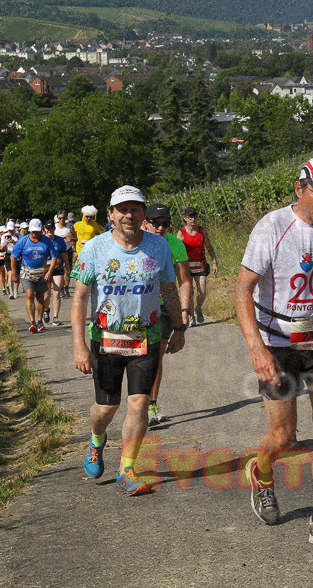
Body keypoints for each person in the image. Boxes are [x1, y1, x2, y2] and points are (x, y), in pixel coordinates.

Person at [234, 158, 313, 551]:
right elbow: (241, 290)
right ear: (299, 188)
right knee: (284, 436)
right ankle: (263, 473)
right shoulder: (272, 227)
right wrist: (257, 350)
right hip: (277, 341)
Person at [71, 186, 186, 496]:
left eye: (135, 209)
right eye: (122, 209)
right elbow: (80, 297)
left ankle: (127, 470)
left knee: (139, 403)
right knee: (105, 409)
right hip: (106, 339)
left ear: (143, 214)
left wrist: (179, 326)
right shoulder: (94, 248)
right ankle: (96, 441)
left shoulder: (159, 246)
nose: (129, 215)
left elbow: (168, 290)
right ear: (111, 214)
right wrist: (79, 344)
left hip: (144, 339)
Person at [143, 204, 192, 426]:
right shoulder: (136, 241)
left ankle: (151, 404)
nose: (161, 227)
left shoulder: (175, 244)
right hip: (139, 305)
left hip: (165, 306)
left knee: (156, 355)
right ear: (145, 221)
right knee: (139, 356)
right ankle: (138, 402)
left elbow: (184, 281)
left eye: (165, 224)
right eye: (156, 223)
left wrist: (184, 311)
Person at [11, 219, 55, 332]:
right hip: (26, 273)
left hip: (41, 274)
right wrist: (14, 273)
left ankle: (40, 322)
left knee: (40, 297)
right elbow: (13, 256)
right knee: (30, 295)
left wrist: (50, 272)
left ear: (41, 230)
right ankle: (32, 322)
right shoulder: (23, 241)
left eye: (37, 231)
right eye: (32, 231)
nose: (34, 234)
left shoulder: (47, 241)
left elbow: (54, 257)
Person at [178, 206, 218, 325]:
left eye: (195, 216)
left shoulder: (202, 231)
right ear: (185, 218)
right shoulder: (181, 233)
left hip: (201, 264)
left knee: (202, 292)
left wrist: (214, 261)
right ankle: (191, 316)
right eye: (190, 217)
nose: (193, 219)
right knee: (189, 292)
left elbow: (209, 247)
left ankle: (198, 308)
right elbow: (176, 250)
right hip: (186, 266)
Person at [44, 222, 68, 326]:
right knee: (47, 294)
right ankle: (46, 309)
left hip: (58, 268)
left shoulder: (60, 240)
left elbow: (64, 254)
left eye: (52, 228)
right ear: (45, 230)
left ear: (54, 229)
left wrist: (67, 266)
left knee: (57, 293)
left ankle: (55, 317)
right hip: (45, 269)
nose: (50, 231)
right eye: (48, 229)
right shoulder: (42, 240)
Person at [54, 210, 74, 297]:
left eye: (63, 218)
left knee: (68, 269)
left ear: (66, 218)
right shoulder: (55, 227)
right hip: (58, 251)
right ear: (58, 219)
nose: (62, 220)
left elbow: (76, 238)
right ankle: (61, 288)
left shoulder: (70, 227)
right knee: (60, 270)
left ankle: (66, 287)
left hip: (68, 249)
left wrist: (72, 240)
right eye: (60, 218)